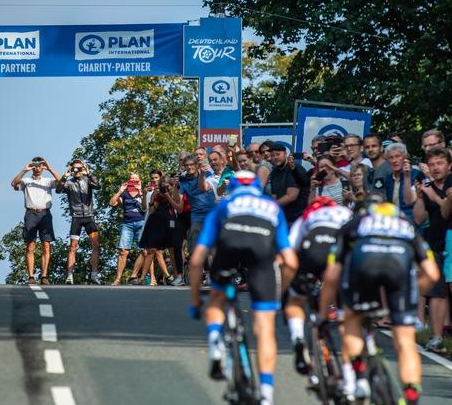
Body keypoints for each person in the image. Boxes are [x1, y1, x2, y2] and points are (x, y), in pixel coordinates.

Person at [188, 171, 298, 405]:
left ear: (231, 188)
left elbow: (197, 260)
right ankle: (266, 396)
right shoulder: (271, 206)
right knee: (265, 329)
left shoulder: (225, 204)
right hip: (262, 255)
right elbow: (290, 261)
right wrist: (279, 296)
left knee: (217, 296)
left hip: (229, 244)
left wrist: (195, 302)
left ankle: (216, 342)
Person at [319, 195, 440, 405]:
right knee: (404, 341)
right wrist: (410, 291)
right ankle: (411, 392)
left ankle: (360, 378)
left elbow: (330, 276)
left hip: (363, 269)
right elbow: (432, 274)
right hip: (399, 273)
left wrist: (321, 315)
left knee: (353, 322)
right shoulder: (405, 223)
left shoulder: (353, 223)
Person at [283, 197, 354, 394]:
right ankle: (349, 382)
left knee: (295, 301)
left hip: (312, 252)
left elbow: (289, 252)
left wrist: (284, 289)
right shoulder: (346, 213)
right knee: (347, 319)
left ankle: (297, 336)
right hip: (340, 256)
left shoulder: (306, 216)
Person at [412, 146, 452, 351]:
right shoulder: (427, 187)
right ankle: (437, 337)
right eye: (432, 164)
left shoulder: (451, 182)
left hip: (450, 240)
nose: (436, 168)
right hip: (435, 243)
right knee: (436, 291)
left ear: (449, 165)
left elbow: (446, 212)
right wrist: (420, 196)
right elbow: (419, 218)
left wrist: (435, 197)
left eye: (440, 163)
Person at [11, 157, 61, 285]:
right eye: (35, 165)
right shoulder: (26, 181)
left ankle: (44, 276)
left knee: (46, 244)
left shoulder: (47, 181)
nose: (37, 167)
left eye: (40, 165)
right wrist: (25, 170)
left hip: (45, 213)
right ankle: (31, 276)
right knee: (30, 245)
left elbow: (61, 182)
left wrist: (49, 168)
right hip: (31, 213)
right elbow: (13, 184)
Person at [56, 159, 102, 285]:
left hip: (89, 217)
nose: (77, 171)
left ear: (83, 169)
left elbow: (98, 186)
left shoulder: (87, 180)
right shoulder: (69, 183)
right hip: (76, 217)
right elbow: (58, 190)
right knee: (73, 247)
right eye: (74, 169)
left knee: (96, 246)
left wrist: (89, 174)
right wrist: (65, 176)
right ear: (71, 170)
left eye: (79, 169)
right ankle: (70, 276)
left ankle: (94, 275)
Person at [132, 176, 182, 285]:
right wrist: (152, 199)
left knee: (172, 250)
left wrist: (168, 196)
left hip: (170, 222)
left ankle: (177, 277)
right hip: (155, 222)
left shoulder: (175, 193)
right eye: (162, 186)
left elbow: (178, 207)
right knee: (151, 250)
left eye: (167, 186)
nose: (165, 188)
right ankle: (141, 278)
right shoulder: (158, 195)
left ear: (172, 186)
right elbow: (151, 210)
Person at [109, 172, 146, 285]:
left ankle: (134, 275)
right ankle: (118, 278)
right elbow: (112, 203)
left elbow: (145, 206)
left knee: (145, 251)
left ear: (140, 181)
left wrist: (140, 191)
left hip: (141, 222)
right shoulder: (124, 194)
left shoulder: (143, 192)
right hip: (127, 224)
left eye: (136, 179)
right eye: (132, 179)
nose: (134, 181)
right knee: (123, 251)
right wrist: (120, 191)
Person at [268, 144, 310, 225]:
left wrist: (271, 207)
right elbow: (274, 195)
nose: (275, 157)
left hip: (299, 218)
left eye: (278, 154)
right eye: (272, 155)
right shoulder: (274, 172)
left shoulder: (294, 168)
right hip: (284, 217)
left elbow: (292, 196)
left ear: (285, 154)